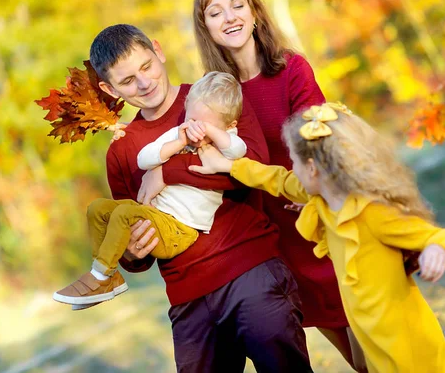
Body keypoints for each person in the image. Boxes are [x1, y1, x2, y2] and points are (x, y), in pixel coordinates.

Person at [88, 24, 313, 372]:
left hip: (250, 270)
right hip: (188, 299)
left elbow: (254, 167)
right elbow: (137, 248)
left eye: (146, 66)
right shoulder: (121, 150)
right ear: (108, 88)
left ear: (158, 51)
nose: (144, 83)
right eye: (128, 80)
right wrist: (130, 254)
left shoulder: (217, 97)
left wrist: (167, 172)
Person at [191, 102, 445, 373]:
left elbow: (438, 236)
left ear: (312, 169)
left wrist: (435, 249)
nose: (291, 168)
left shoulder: (372, 212)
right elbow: (277, 179)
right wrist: (227, 165)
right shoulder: (323, 202)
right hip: (375, 344)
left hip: (409, 345)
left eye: (294, 162)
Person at [192, 0, 366, 369]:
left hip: (319, 218)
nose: (230, 17)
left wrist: (303, 186)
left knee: (373, 349)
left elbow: (319, 140)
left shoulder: (290, 69)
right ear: (206, 27)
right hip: (278, 241)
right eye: (215, 12)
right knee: (352, 355)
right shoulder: (214, 94)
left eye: (237, 5)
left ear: (254, 12)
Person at [52, 71, 248, 307]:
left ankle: (99, 277)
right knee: (98, 208)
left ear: (228, 125)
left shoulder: (228, 138)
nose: (196, 129)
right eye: (192, 120)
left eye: (205, 124)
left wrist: (211, 132)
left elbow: (238, 151)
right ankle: (106, 275)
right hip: (157, 217)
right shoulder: (180, 134)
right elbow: (144, 159)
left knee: (124, 214)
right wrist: (178, 142)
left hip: (182, 228)